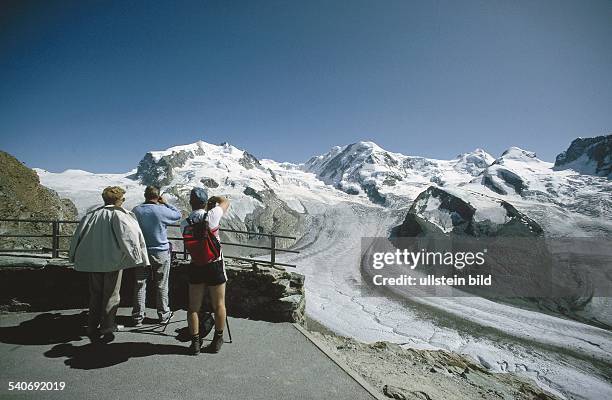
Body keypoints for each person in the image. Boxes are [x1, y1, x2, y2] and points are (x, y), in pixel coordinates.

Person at [69, 186, 149, 342]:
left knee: (95, 294)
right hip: (113, 261)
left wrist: (73, 256)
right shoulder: (120, 216)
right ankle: (108, 326)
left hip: (93, 261)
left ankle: (92, 325)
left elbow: (77, 236)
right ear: (120, 200)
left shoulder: (92, 215)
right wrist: (138, 258)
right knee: (111, 295)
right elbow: (129, 238)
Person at [181, 187, 230, 355]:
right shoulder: (213, 215)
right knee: (219, 305)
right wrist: (213, 200)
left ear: (191, 203)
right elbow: (225, 202)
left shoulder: (184, 223)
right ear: (205, 202)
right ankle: (217, 339)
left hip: (196, 265)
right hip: (214, 264)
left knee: (193, 307)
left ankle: (195, 344)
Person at [131, 186, 182, 326]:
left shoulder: (136, 210)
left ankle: (137, 317)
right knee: (161, 284)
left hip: (141, 252)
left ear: (145, 195)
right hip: (160, 252)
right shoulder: (161, 210)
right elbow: (178, 214)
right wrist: (165, 202)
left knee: (140, 284)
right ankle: (163, 314)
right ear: (157, 196)